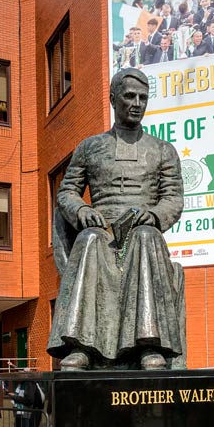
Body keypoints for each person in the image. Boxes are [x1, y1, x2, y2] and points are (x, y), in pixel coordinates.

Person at [48, 67, 186, 370]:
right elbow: (67, 192)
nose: (137, 103)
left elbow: (173, 198)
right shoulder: (90, 147)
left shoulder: (163, 150)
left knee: (145, 236)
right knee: (89, 239)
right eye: (129, 96)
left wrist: (154, 215)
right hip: (102, 229)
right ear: (113, 99)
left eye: (143, 98)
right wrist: (82, 211)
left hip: (142, 229)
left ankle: (148, 346)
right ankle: (83, 347)